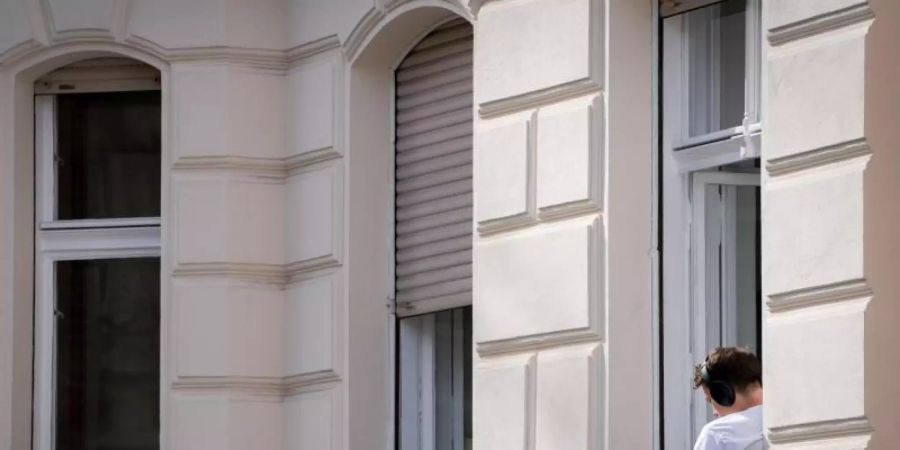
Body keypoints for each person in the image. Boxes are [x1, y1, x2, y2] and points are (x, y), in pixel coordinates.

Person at [693, 347, 765, 450]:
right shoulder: (787, 419)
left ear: (723, 394)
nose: (714, 413)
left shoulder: (716, 434)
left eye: (710, 400)